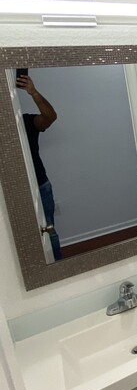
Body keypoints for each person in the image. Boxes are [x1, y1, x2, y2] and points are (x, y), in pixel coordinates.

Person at [17, 74, 62, 261]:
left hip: (40, 185)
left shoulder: (24, 122)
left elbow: (50, 117)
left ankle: (58, 270)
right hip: (15, 193)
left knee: (48, 230)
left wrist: (33, 92)